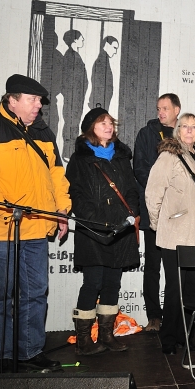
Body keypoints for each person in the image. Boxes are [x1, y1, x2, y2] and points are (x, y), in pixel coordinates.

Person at [0, 74, 70, 373]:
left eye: (40, 101)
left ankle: (31, 351)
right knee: (3, 297)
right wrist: (6, 205)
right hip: (2, 228)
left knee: (35, 294)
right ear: (12, 100)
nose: (38, 106)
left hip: (38, 227)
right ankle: (4, 355)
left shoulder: (43, 132)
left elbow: (57, 175)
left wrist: (61, 209)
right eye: (32, 100)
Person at [66, 108, 140, 355]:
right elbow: (76, 195)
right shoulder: (80, 159)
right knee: (93, 283)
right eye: (102, 123)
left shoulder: (121, 157)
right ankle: (84, 339)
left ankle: (107, 335)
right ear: (90, 128)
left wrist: (130, 213)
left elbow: (131, 189)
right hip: (94, 230)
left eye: (110, 123)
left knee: (112, 283)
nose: (109, 127)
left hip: (121, 228)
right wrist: (98, 221)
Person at [145, 113, 195, 355]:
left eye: (194, 127)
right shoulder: (168, 156)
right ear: (178, 130)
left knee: (192, 290)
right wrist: (158, 224)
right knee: (175, 289)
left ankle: (186, 337)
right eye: (185, 126)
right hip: (174, 233)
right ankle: (168, 339)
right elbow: (153, 193)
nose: (189, 131)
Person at [134, 93, 181, 333]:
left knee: (176, 268)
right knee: (152, 266)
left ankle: (176, 315)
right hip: (154, 210)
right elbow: (140, 168)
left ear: (176, 110)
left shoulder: (184, 133)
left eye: (165, 108)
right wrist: (160, 192)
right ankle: (154, 316)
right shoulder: (147, 133)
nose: (161, 112)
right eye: (158, 108)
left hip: (178, 214)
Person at [60, 30, 87, 159]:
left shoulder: (75, 55)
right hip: (72, 99)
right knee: (71, 124)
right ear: (74, 40)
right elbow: (67, 80)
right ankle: (67, 153)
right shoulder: (70, 56)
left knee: (74, 124)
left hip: (76, 98)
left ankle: (70, 152)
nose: (83, 40)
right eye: (81, 38)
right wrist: (71, 95)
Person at [89, 36, 118, 110]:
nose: (115, 52)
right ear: (107, 45)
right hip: (100, 102)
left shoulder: (104, 60)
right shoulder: (101, 61)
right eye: (114, 48)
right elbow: (98, 84)